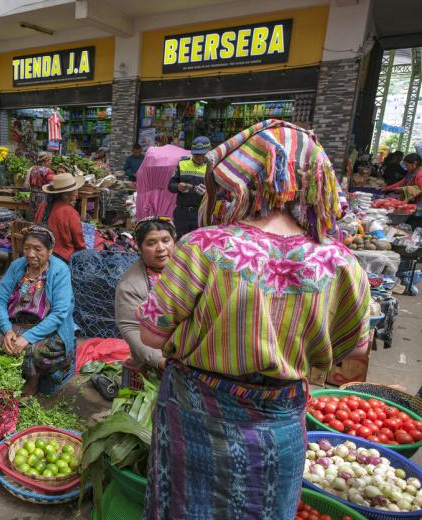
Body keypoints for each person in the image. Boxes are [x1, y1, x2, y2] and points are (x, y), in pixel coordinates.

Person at [138, 120, 371, 519]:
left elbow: (152, 335)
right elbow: (354, 351)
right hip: (281, 424)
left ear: (243, 177)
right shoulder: (341, 262)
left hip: (196, 414)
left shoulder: (203, 246)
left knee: (183, 505)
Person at [0, 225, 75, 395]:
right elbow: (0, 300)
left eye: (38, 249)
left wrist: (27, 338)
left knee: (33, 351)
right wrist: (7, 330)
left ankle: (32, 383)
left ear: (50, 250)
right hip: (17, 323)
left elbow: (59, 314)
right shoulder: (17, 266)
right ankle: (11, 379)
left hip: (48, 328)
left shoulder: (60, 271)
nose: (30, 254)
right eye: (27, 248)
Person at [114, 216, 177, 371]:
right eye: (151, 243)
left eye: (166, 240)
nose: (161, 248)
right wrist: (161, 361)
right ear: (140, 249)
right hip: (155, 362)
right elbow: (132, 328)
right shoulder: (130, 285)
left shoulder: (189, 270)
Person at [34, 172, 86, 262]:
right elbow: (79, 243)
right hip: (61, 256)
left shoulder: (43, 204)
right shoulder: (70, 212)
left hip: (39, 249)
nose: (77, 193)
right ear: (65, 195)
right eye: (75, 190)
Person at [167, 136, 211, 236]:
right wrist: (178, 187)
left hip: (201, 212)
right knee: (180, 240)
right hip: (182, 212)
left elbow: (221, 192)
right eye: (196, 154)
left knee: (198, 241)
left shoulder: (214, 167)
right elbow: (170, 186)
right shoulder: (183, 163)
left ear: (209, 151)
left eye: (202, 155)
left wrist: (208, 192)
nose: (199, 157)